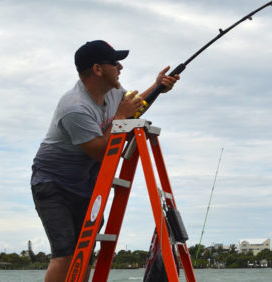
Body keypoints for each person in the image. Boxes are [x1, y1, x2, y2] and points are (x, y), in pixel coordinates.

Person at [30, 40, 179, 282]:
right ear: (98, 69)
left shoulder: (113, 93)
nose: (120, 67)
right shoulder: (74, 107)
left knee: (84, 252)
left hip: (87, 183)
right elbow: (101, 152)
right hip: (53, 184)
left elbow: (134, 106)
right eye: (115, 62)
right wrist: (121, 116)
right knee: (66, 253)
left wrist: (158, 87)